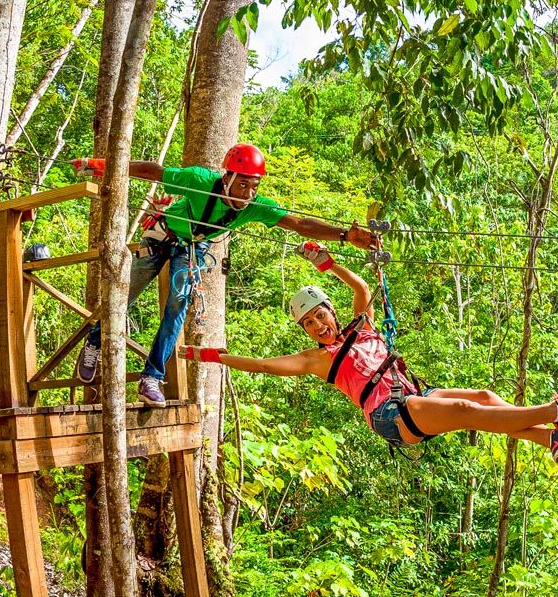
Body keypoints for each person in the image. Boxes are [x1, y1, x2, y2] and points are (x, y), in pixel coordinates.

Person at [196, 242, 558, 462]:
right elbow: (265, 365)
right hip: (389, 416)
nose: (320, 326)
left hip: (413, 394)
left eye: (321, 316)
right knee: (466, 414)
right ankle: (556, 412)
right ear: (307, 331)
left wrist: (328, 263)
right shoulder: (318, 360)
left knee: (483, 399)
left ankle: (551, 442)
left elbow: (362, 291)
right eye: (311, 324)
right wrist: (212, 355)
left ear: (331, 312)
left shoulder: (362, 327)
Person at [70, 142, 375, 406]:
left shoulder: (254, 207)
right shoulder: (199, 180)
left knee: (177, 308)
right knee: (127, 293)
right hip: (163, 235)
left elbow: (299, 224)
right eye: (244, 184)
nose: (249, 193)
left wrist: (345, 235)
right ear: (227, 177)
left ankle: (152, 377)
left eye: (255, 186)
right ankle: (95, 342)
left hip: (193, 250)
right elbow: (155, 171)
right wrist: (101, 166)